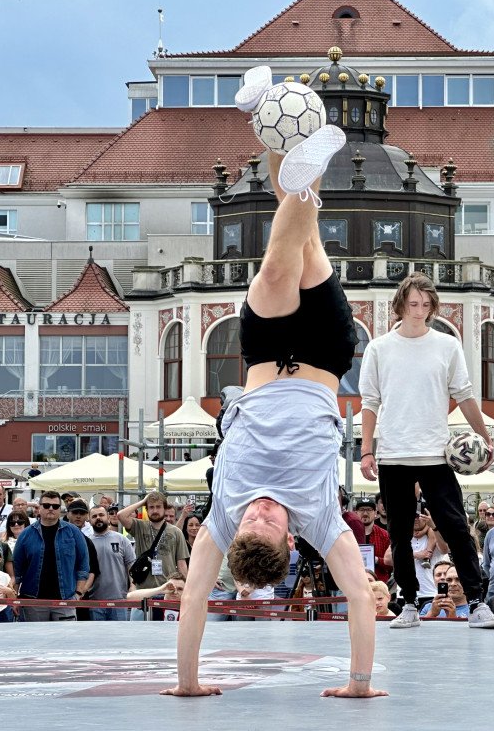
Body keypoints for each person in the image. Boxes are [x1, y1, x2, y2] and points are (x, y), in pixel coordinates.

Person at [162, 100, 384, 699]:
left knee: (278, 267)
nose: (259, 512)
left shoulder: (221, 520)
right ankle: (283, 135)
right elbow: (361, 598)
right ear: (290, 540)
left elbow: (192, 599)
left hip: (262, 358)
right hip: (325, 355)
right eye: (269, 522)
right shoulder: (321, 520)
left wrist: (187, 684)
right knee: (307, 247)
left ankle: (287, 139)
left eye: (251, 522)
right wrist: (358, 684)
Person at [359, 270, 494, 631]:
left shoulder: (446, 346)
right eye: (413, 303)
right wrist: (366, 451)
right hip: (394, 453)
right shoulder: (379, 348)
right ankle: (407, 603)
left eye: (425, 304)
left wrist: (485, 437)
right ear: (401, 305)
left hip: (437, 454)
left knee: (456, 528)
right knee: (400, 534)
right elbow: (370, 402)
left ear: (433, 306)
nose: (419, 309)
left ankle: (478, 603)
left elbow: (465, 395)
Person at [12, 490, 90, 621]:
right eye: (46, 505)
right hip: (33, 600)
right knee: (36, 640)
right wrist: (14, 599)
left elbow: (83, 564)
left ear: (60, 509)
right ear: (39, 507)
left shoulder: (73, 532)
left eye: (55, 506)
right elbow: (17, 570)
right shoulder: (26, 534)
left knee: (66, 640)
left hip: (65, 599)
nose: (51, 509)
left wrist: (78, 593)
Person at [119, 491, 189, 591]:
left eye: (158, 507)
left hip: (168, 589)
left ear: (164, 509)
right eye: (151, 507)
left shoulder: (176, 532)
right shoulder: (140, 526)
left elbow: (182, 564)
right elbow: (121, 515)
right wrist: (143, 501)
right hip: (143, 590)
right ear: (146, 509)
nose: (155, 510)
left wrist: (185, 590)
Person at [87, 505, 135, 621]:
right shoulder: (86, 542)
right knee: (97, 638)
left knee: (119, 638)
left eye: (101, 515)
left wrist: (133, 586)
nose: (98, 518)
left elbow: (131, 565)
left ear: (108, 518)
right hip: (94, 601)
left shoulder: (122, 540)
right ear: (89, 521)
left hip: (119, 600)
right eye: (94, 516)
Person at [354, 497, 392, 583]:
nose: (365, 513)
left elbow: (393, 563)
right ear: (356, 513)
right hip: (355, 583)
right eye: (362, 510)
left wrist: (377, 560)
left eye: (369, 510)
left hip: (379, 584)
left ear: (375, 513)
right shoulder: (349, 535)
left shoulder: (385, 535)